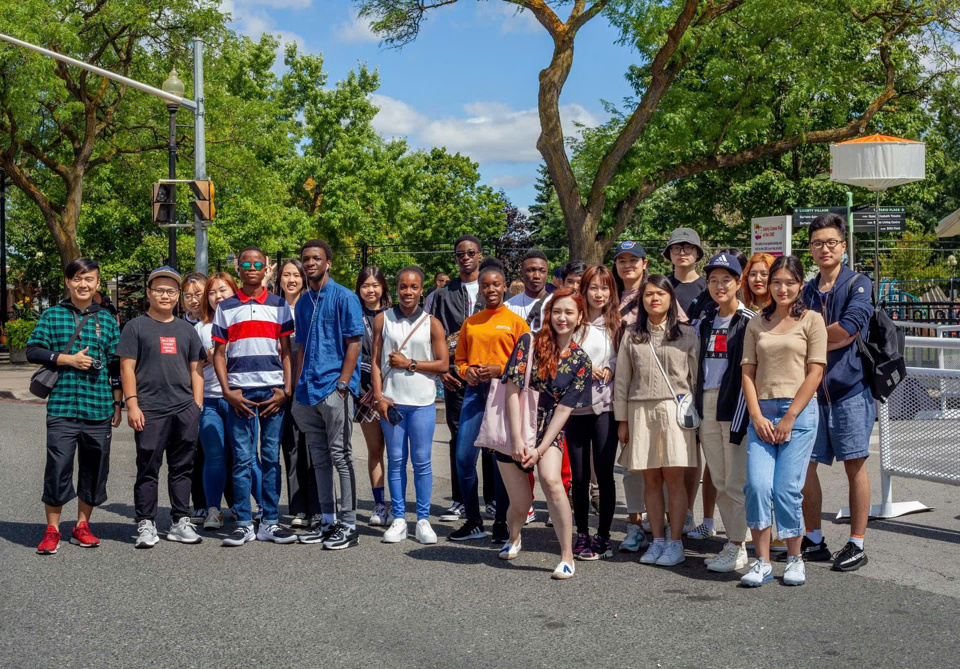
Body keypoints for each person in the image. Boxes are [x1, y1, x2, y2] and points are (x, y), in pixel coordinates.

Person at [740, 255, 827, 587]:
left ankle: (794, 557)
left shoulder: (812, 321)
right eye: (777, 282)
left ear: (800, 285)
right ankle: (761, 561)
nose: (782, 288)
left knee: (786, 488)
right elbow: (747, 372)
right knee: (758, 486)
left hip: (799, 413)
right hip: (761, 412)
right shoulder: (756, 322)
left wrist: (790, 416)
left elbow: (816, 372)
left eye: (790, 282)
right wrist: (756, 415)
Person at [28, 258, 122, 554]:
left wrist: (118, 404)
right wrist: (66, 359)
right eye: (78, 279)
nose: (84, 284)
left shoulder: (106, 320)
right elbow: (33, 349)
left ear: (97, 283)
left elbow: (115, 365)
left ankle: (82, 525)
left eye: (89, 279)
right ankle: (52, 529)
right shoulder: (52, 315)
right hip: (63, 407)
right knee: (58, 467)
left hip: (99, 407)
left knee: (95, 469)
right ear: (68, 282)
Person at [497, 288, 592, 579]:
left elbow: (563, 411)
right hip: (514, 425)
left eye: (569, 312)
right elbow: (511, 390)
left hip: (549, 429)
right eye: (557, 311)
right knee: (521, 503)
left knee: (552, 481)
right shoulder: (529, 342)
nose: (562, 318)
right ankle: (514, 536)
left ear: (579, 318)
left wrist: (539, 449)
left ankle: (566, 556)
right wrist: (517, 440)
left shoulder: (581, 362)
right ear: (548, 314)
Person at [800, 213, 875, 572]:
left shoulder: (859, 283)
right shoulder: (806, 289)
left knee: (855, 466)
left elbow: (850, 328)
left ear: (843, 246)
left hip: (850, 391)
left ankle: (857, 543)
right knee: (804, 468)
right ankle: (813, 539)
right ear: (810, 249)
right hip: (811, 394)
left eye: (831, 242)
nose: (824, 249)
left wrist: (807, 335)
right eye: (817, 243)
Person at [213, 248, 297, 547]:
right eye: (246, 263)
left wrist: (286, 391)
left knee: (271, 458)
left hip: (273, 391)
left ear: (266, 269)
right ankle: (245, 523)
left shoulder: (279, 305)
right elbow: (219, 354)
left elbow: (287, 352)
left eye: (257, 264)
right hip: (240, 393)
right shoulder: (226, 307)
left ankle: (270, 522)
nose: (251, 268)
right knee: (242, 459)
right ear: (238, 268)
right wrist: (227, 391)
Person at [118, 266, 205, 548]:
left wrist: (197, 406)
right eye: (159, 290)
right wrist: (132, 404)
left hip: (184, 409)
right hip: (150, 409)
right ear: (149, 293)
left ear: (178, 295)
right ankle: (146, 523)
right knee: (147, 468)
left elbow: (196, 370)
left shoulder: (186, 330)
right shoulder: (135, 327)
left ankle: (181, 520)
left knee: (182, 468)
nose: (165, 295)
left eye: (170, 291)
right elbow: (126, 368)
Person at [615, 275, 698, 567]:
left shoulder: (688, 334)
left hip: (675, 412)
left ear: (670, 298)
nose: (654, 299)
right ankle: (657, 540)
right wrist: (622, 420)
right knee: (650, 479)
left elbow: (695, 380)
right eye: (649, 294)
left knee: (675, 480)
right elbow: (623, 380)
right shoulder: (631, 334)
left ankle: (676, 542)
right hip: (640, 411)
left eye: (661, 294)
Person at [450, 258, 529, 542]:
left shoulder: (516, 323)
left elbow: (526, 362)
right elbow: (459, 360)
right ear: (479, 290)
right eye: (485, 285)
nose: (491, 289)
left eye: (496, 284)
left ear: (504, 287)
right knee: (463, 458)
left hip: (503, 394)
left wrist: (500, 370)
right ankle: (473, 519)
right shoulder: (471, 323)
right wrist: (466, 371)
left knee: (500, 461)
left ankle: (500, 521)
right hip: (474, 393)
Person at [292, 239, 365, 550]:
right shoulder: (304, 302)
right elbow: (302, 348)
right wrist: (296, 387)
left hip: (334, 389)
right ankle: (327, 520)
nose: (310, 263)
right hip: (307, 392)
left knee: (341, 456)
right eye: (306, 258)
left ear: (328, 263)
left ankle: (349, 525)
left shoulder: (345, 297)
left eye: (316, 258)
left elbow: (354, 343)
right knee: (319, 460)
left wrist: (343, 384)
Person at [371, 267, 448, 544]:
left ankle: (424, 520)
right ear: (397, 287)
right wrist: (379, 396)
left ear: (421, 289)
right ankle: (400, 518)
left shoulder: (432, 323)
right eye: (403, 286)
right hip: (392, 403)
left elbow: (443, 364)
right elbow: (376, 362)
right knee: (395, 461)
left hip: (422, 403)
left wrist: (410, 364)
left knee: (422, 462)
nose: (408, 292)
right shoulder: (383, 319)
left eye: (413, 287)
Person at [428, 235, 497, 523]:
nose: (465, 257)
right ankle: (460, 501)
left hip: (491, 375)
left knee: (492, 439)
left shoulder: (491, 289)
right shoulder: (444, 294)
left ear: (480, 255)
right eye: (460, 254)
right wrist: (443, 370)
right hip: (457, 375)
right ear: (455, 258)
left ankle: (493, 500)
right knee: (459, 439)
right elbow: (432, 333)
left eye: (470, 252)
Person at [694, 253, 756, 572]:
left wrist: (747, 414)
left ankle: (738, 544)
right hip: (706, 403)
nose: (719, 286)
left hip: (735, 405)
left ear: (738, 283)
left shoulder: (749, 320)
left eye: (726, 280)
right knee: (718, 477)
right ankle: (733, 541)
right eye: (714, 280)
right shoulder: (705, 322)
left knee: (736, 479)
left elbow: (751, 370)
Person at [566, 266, 620, 561]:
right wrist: (587, 368)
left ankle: (604, 535)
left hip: (606, 406)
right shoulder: (574, 321)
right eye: (593, 288)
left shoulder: (616, 323)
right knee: (580, 475)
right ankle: (582, 532)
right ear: (583, 290)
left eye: (605, 288)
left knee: (604, 472)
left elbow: (618, 356)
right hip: (575, 407)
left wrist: (610, 367)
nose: (599, 294)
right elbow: (565, 354)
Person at [195, 272, 245, 530]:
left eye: (223, 290)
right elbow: (193, 368)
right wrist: (209, 357)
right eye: (212, 292)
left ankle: (247, 507)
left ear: (234, 291)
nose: (218, 296)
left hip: (240, 399)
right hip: (212, 400)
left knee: (244, 457)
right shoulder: (201, 328)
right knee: (214, 456)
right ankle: (214, 509)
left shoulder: (246, 319)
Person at [276, 259, 319, 527]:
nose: (291, 279)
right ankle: (298, 507)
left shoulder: (310, 306)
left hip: (307, 385)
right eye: (286, 275)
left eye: (296, 275)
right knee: (289, 447)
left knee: (312, 448)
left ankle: (317, 506)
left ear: (303, 278)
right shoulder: (273, 307)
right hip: (280, 386)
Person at [612, 241, 649, 547]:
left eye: (633, 260)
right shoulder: (609, 295)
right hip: (608, 387)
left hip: (644, 388)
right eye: (621, 260)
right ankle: (634, 521)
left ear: (644, 263)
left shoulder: (656, 292)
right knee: (628, 463)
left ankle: (659, 521)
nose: (627, 265)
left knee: (650, 461)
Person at [355, 266, 393, 526]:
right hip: (363, 391)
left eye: (375, 285)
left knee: (397, 452)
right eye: (366, 285)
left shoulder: (394, 315)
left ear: (383, 288)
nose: (370, 290)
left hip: (392, 391)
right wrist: (361, 388)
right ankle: (380, 505)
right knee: (375, 450)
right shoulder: (353, 314)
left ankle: (398, 505)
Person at [181, 272, 209, 525]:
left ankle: (231, 503)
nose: (193, 300)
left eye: (198, 294)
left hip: (220, 393)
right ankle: (199, 504)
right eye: (188, 295)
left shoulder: (218, 320)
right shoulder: (179, 326)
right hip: (187, 397)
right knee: (195, 453)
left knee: (226, 451)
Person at [663, 227, 707, 314]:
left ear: (697, 253)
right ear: (670, 253)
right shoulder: (663, 286)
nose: (682, 253)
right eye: (676, 248)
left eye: (688, 247)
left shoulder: (707, 288)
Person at [505, 250, 549, 321]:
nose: (537, 276)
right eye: (531, 270)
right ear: (521, 273)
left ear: (547, 274)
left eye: (542, 271)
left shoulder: (557, 304)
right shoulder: (508, 306)